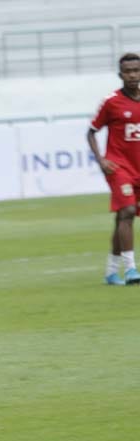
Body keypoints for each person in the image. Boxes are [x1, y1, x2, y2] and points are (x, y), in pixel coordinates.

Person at [87, 52, 140, 286]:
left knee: (122, 218)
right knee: (128, 211)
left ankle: (111, 272)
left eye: (136, 70)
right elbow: (91, 132)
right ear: (120, 74)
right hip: (118, 167)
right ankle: (131, 269)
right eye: (128, 71)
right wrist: (101, 160)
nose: (132, 75)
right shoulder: (111, 102)